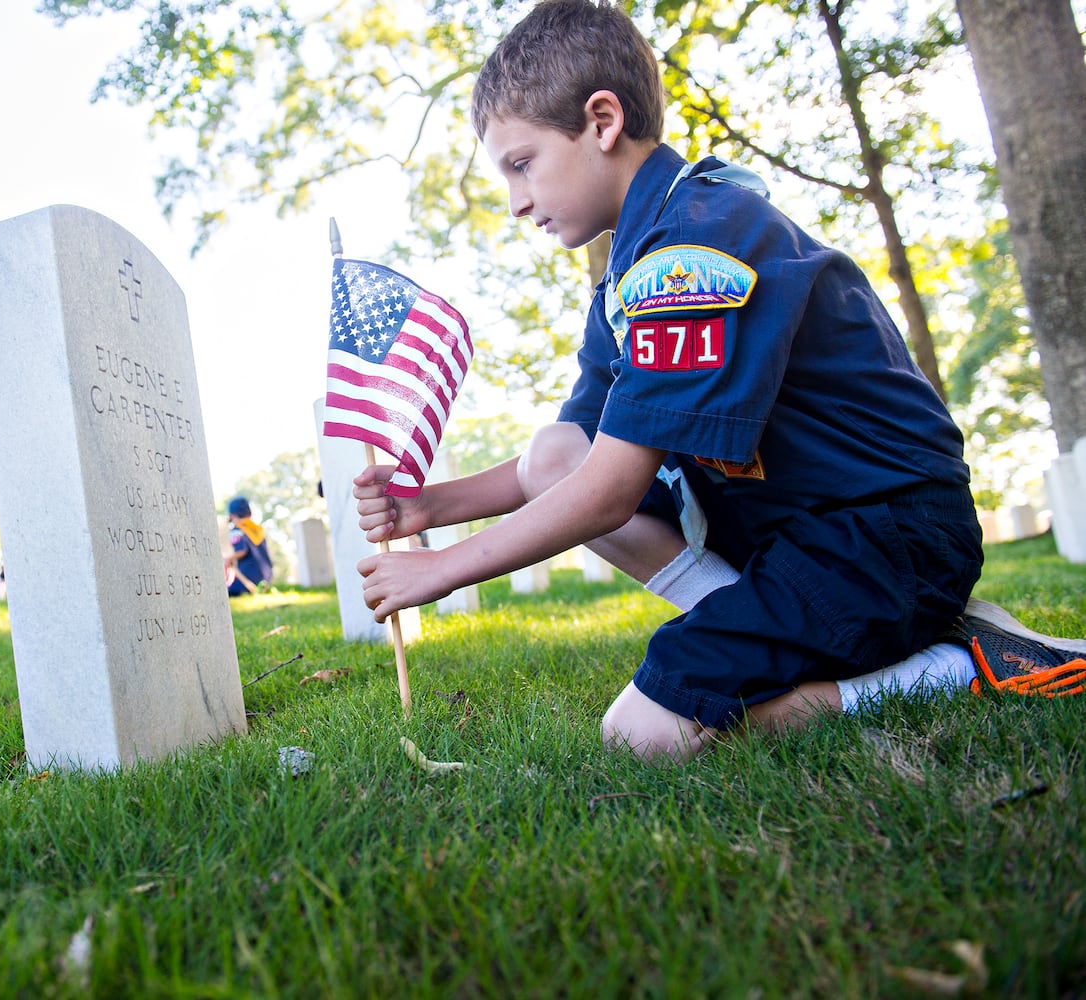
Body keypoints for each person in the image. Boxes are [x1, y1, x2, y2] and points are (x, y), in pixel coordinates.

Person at [354, 0, 1086, 762]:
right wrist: (428, 506)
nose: (516, 202)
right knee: (551, 453)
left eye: (521, 163)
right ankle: (779, 631)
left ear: (601, 121)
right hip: (796, 535)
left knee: (643, 735)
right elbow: (573, 457)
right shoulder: (630, 271)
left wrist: (442, 569)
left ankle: (953, 668)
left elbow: (607, 492)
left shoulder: (695, 244)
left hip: (882, 538)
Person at [225, 496, 274, 597]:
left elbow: (242, 551)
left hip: (248, 577)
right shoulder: (257, 529)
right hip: (266, 575)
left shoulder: (237, 530)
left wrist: (229, 559)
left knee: (227, 591)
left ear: (232, 515)